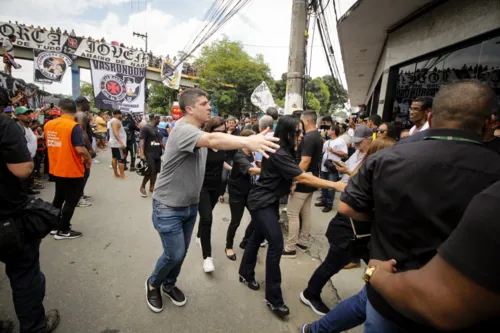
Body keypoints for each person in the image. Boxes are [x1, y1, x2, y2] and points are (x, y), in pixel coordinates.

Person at [338, 81, 500, 332]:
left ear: (431, 118)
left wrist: (386, 215)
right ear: (490, 121)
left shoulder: (387, 158)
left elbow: (347, 207)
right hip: (462, 307)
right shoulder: (495, 172)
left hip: (388, 288)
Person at [145, 88, 279, 313]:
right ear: (189, 109)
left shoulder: (197, 131)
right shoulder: (183, 130)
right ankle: (153, 283)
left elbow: (215, 143)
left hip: (190, 204)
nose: (209, 107)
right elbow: (212, 138)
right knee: (174, 253)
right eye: (204, 103)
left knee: (183, 252)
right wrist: (248, 141)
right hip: (168, 206)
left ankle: (169, 284)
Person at [238, 115, 345, 318]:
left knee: (257, 237)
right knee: (276, 244)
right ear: (287, 132)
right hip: (261, 201)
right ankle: (274, 299)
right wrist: (335, 185)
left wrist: (290, 184)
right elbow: (302, 175)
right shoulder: (280, 152)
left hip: (269, 200)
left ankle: (245, 272)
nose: (301, 135)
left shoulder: (286, 150)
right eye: (298, 131)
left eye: (302, 131)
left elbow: (288, 175)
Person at [368, 180, 500, 332]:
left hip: (397, 296)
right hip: (390, 289)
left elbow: (440, 304)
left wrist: (372, 274)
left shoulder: (493, 201)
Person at [0, 89, 60, 333]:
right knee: (25, 276)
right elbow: (23, 169)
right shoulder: (5, 126)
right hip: (7, 217)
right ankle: (35, 327)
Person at [45, 99, 92, 240]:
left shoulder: (49, 125)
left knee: (58, 198)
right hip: (71, 169)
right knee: (71, 201)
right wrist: (88, 158)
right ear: (76, 111)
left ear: (60, 110)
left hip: (56, 167)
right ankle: (63, 230)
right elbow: (80, 149)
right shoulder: (73, 126)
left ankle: (54, 226)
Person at [284, 110, 324, 257]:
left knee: (293, 213)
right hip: (311, 178)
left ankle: (290, 247)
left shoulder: (308, 138)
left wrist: (294, 179)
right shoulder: (317, 136)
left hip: (304, 178)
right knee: (305, 212)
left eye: (301, 120)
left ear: (306, 121)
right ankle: (303, 241)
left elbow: (305, 161)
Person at [195, 117, 231, 273]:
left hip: (216, 187)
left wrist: (232, 168)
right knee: (207, 219)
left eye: (223, 132)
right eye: (218, 132)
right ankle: (207, 258)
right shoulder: (203, 145)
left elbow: (220, 161)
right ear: (210, 131)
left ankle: (199, 234)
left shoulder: (222, 146)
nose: (220, 135)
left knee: (206, 216)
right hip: (202, 186)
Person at [225, 129, 261, 260]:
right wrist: (270, 172)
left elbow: (254, 164)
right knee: (235, 221)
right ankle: (228, 247)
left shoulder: (252, 153)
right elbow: (250, 170)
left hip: (250, 192)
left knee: (258, 218)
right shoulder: (238, 155)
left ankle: (245, 241)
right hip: (237, 193)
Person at [139, 114, 164, 197]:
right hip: (149, 153)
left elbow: (161, 142)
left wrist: (168, 151)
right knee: (149, 171)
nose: (159, 120)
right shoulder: (145, 128)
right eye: (158, 119)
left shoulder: (157, 129)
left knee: (155, 172)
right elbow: (142, 142)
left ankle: (152, 187)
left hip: (157, 153)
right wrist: (142, 154)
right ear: (154, 118)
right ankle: (142, 187)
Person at [109, 110, 129, 179]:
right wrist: (121, 142)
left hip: (115, 143)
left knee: (114, 158)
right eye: (121, 114)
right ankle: (122, 175)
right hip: (117, 144)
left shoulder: (113, 121)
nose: (122, 116)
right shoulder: (115, 121)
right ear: (117, 114)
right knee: (121, 159)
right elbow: (115, 133)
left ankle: (116, 174)